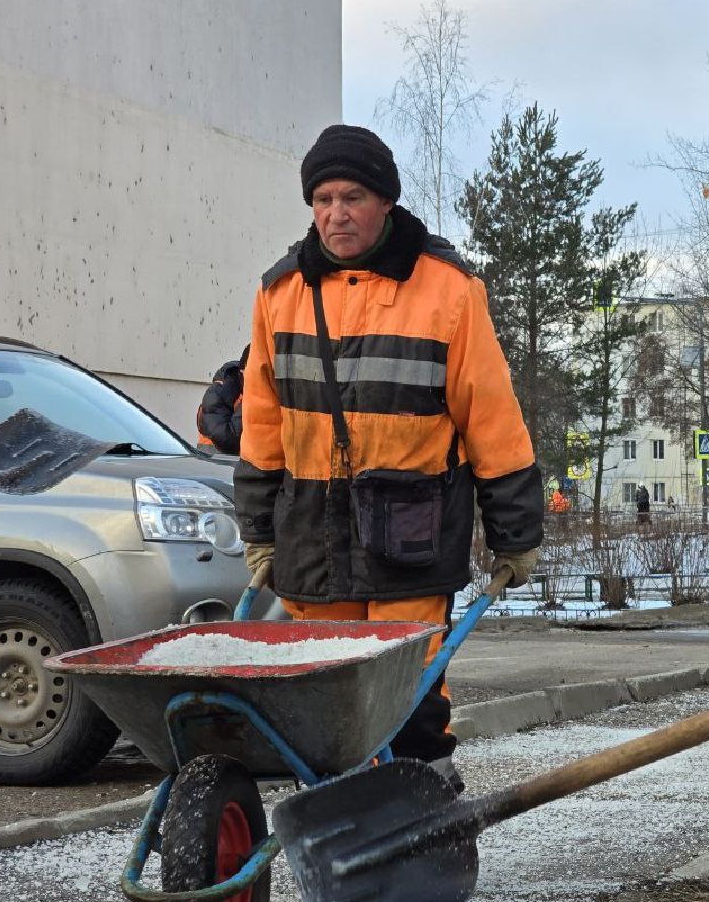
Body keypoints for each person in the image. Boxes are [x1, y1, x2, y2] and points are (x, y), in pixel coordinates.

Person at [235, 124, 544, 791]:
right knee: (325, 696)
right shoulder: (280, 293)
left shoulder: (448, 290)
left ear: (385, 202)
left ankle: (426, 796)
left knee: (410, 687)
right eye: (322, 199)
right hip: (312, 533)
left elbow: (490, 415)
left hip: (408, 527)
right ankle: (343, 816)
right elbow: (262, 421)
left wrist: (516, 534)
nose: (336, 213)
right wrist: (258, 528)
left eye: (351, 197)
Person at [195, 346, 248, 455]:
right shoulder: (219, 391)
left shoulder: (236, 388)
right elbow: (227, 440)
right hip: (215, 460)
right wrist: (249, 401)